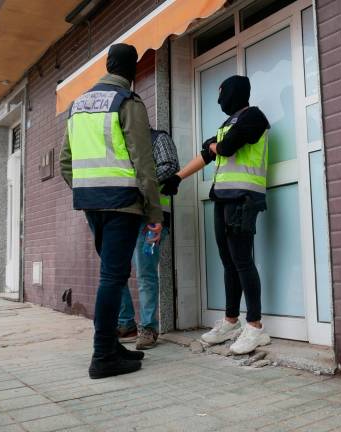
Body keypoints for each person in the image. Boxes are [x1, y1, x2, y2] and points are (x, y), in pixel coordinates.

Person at [60, 43, 163, 379]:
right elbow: (143, 161)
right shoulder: (127, 102)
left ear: (107, 65)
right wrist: (154, 212)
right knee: (112, 277)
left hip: (92, 203)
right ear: (132, 72)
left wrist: (88, 189)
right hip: (122, 203)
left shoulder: (78, 105)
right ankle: (103, 355)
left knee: (112, 274)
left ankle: (112, 346)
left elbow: (65, 162)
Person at [162, 75, 270, 355]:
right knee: (229, 262)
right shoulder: (227, 123)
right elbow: (207, 154)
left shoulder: (254, 117)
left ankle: (256, 327)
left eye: (222, 94)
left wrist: (214, 146)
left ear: (234, 93)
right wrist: (177, 177)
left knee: (243, 261)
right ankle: (231, 322)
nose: (220, 100)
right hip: (223, 198)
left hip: (244, 198)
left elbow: (225, 148)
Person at [117, 130, 176, 350]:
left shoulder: (157, 138)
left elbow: (169, 166)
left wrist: (138, 182)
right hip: (124, 217)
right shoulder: (119, 142)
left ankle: (149, 328)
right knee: (116, 272)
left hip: (151, 220)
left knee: (145, 274)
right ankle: (125, 324)